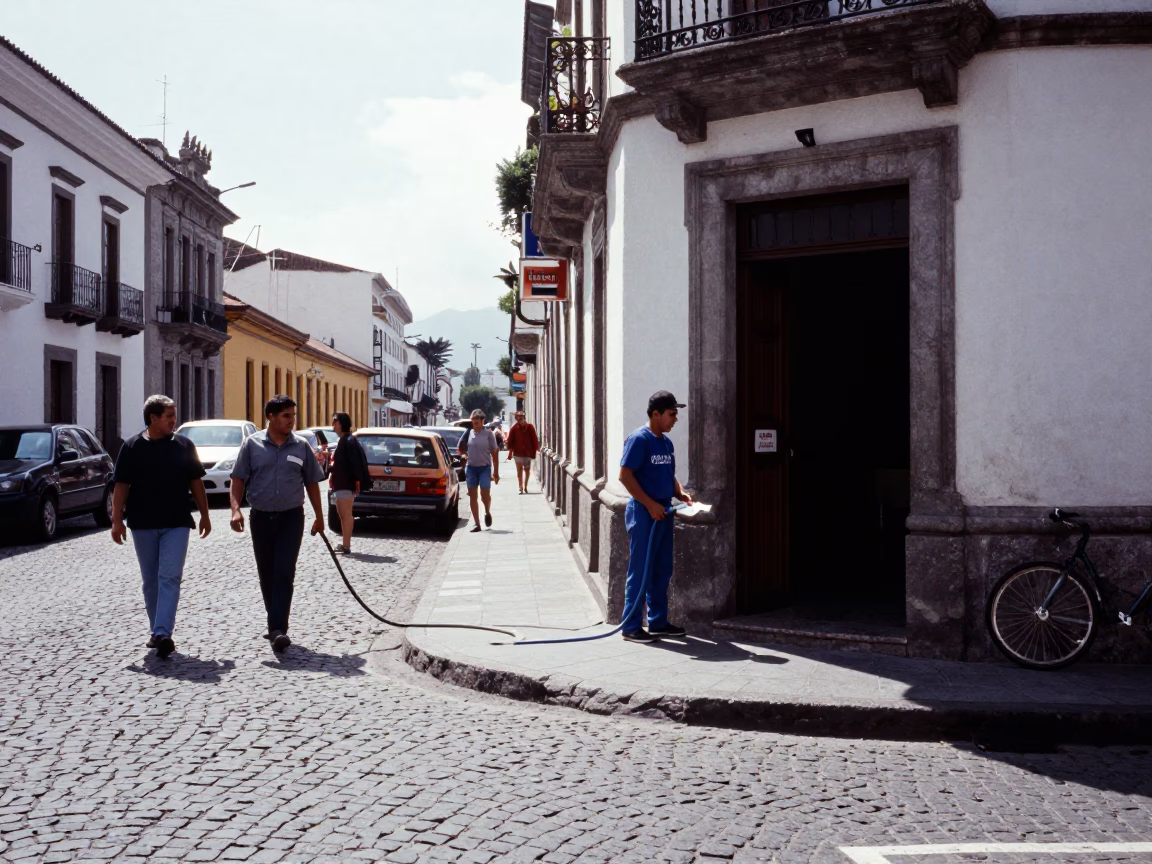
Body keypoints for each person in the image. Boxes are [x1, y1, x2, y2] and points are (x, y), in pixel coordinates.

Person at [110, 394, 211, 659]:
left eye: (174, 415)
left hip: (176, 522)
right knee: (150, 581)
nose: (173, 421)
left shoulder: (184, 445)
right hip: (142, 523)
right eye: (169, 416)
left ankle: (163, 632)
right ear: (153, 418)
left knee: (170, 576)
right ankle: (157, 630)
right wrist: (116, 520)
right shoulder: (131, 447)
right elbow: (121, 485)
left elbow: (196, 483)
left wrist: (205, 514)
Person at [229, 395, 325, 652]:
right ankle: (276, 624)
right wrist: (235, 511)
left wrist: (319, 516)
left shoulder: (301, 446)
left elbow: (312, 483)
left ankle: (278, 628)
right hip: (260, 517)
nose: (291, 421)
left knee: (284, 571)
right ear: (270, 416)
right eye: (286, 416)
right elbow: (238, 479)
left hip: (291, 517)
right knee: (267, 573)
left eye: (293, 416)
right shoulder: (252, 445)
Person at [617, 390, 693, 643]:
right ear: (656, 414)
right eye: (672, 414)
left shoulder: (666, 443)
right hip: (644, 513)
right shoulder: (640, 439)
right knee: (641, 570)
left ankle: (658, 622)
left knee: (662, 569)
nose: (675, 419)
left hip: (663, 511)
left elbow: (668, 475)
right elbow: (625, 476)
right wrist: (649, 504)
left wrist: (680, 493)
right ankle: (630, 626)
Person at [328, 411, 371, 556]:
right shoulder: (345, 440)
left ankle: (346, 546)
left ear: (341, 423)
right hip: (341, 483)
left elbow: (354, 464)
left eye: (335, 421)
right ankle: (345, 544)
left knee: (346, 514)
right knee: (342, 513)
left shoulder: (349, 441)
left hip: (346, 483)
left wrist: (357, 481)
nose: (333, 424)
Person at [458, 408, 500, 533]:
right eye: (473, 422)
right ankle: (477, 524)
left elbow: (495, 454)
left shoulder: (488, 434)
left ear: (483, 421)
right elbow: (461, 448)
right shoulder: (468, 433)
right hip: (471, 468)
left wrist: (496, 472)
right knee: (472, 496)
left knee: (485, 494)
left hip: (484, 468)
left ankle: (487, 511)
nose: (474, 425)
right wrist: (465, 455)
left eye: (477, 422)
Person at [505, 410, 539, 494]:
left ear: (524, 418)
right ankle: (520, 486)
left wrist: (536, 449)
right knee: (519, 470)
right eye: (518, 418)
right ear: (516, 419)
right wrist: (509, 449)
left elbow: (534, 438)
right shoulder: (514, 428)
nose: (520, 419)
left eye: (521, 417)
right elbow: (510, 440)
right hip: (517, 453)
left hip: (528, 453)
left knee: (527, 470)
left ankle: (525, 486)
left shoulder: (530, 427)